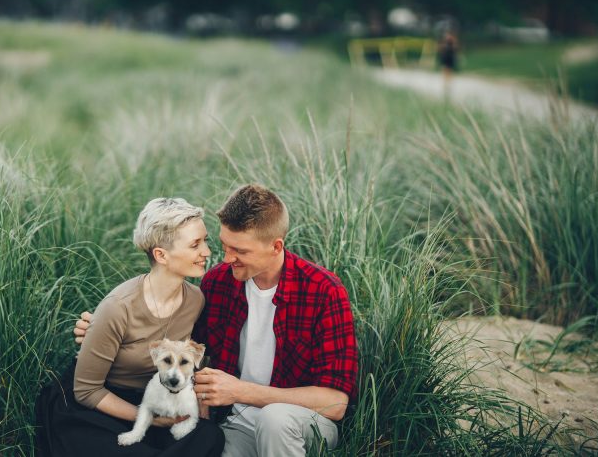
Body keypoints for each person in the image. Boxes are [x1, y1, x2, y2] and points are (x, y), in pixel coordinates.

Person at [76, 185, 358, 456]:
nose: (225, 258)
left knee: (274, 419)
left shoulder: (324, 290)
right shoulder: (217, 283)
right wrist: (104, 330)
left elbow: (335, 404)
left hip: (300, 425)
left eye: (240, 251)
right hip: (237, 426)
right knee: (204, 446)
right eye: (224, 245)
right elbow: (185, 343)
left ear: (276, 246)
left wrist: (241, 391)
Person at [35, 198, 225, 457]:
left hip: (158, 396)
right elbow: (86, 390)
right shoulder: (118, 307)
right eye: (195, 244)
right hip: (101, 407)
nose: (206, 251)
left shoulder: (195, 299)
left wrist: (195, 406)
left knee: (210, 436)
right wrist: (149, 418)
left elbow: (197, 359)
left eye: (205, 241)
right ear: (161, 255)